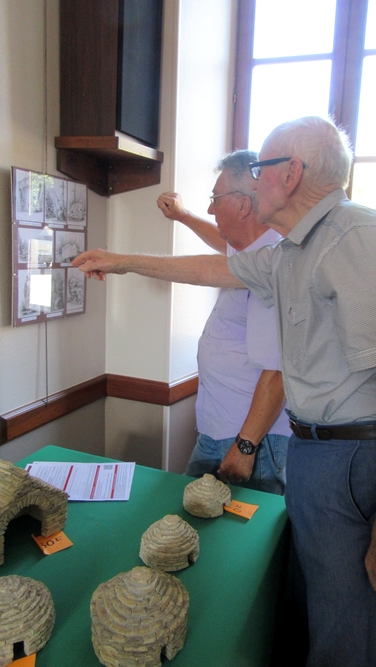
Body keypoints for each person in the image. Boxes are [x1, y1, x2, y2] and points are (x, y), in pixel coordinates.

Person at [222, 117, 376, 666]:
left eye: (258, 169)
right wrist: (120, 262)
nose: (251, 182)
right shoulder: (296, 249)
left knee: (352, 636)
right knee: (331, 617)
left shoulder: (356, 237)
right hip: (320, 452)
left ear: (291, 173)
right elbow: (222, 267)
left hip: (356, 456)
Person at [73, 150, 291, 495]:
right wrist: (184, 216)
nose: (210, 209)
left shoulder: (274, 264)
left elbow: (277, 372)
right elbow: (221, 242)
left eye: (214, 200)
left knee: (235, 542)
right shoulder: (251, 249)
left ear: (242, 205)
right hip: (223, 430)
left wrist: (246, 446)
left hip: (251, 440)